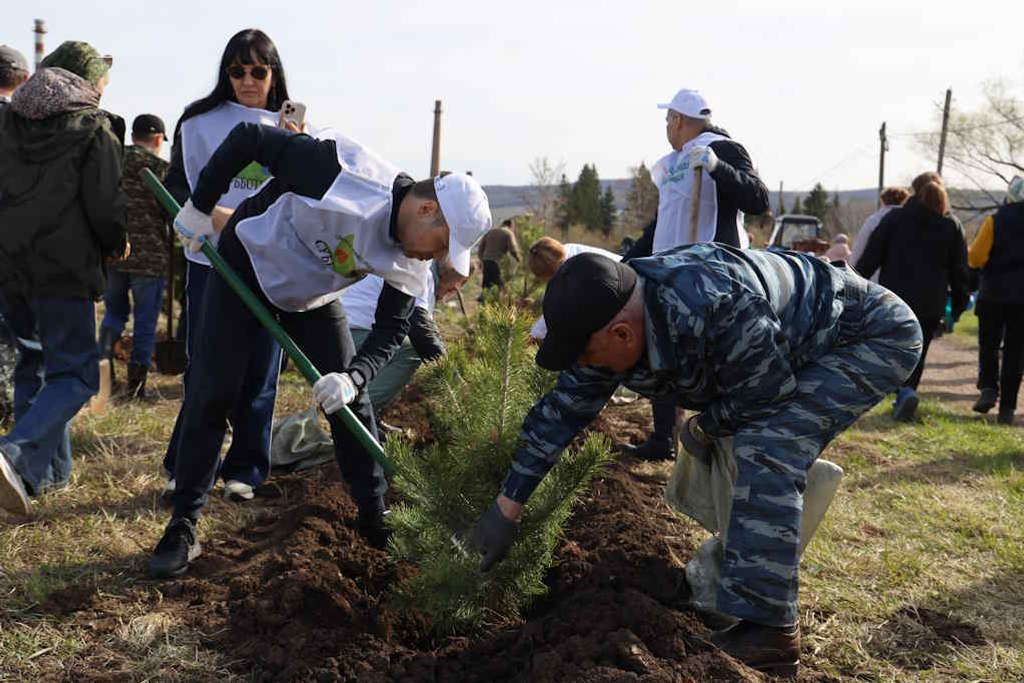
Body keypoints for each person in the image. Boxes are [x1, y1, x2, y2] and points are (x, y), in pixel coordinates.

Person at [466, 247, 921, 676]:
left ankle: (771, 634)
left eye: (587, 354)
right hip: (790, 346)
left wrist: (704, 426)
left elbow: (766, 395)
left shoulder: (713, 305)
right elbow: (562, 412)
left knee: (770, 442)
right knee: (744, 436)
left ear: (622, 334)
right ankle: (724, 585)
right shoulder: (609, 314)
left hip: (868, 334)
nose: (586, 366)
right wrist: (507, 508)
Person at [147, 121, 491, 578]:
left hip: (312, 297)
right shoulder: (338, 172)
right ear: (427, 209)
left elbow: (391, 329)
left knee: (355, 407)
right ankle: (182, 525)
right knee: (214, 390)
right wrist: (200, 204)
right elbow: (250, 138)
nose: (438, 256)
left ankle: (374, 516)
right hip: (248, 263)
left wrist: (352, 378)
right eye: (444, 243)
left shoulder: (411, 261)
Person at [160, 29, 296, 503]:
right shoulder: (198, 123)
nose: (248, 80)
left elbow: (305, 199)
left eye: (258, 70)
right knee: (205, 367)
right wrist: (209, 216)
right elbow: (177, 188)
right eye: (237, 71)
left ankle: (246, 468)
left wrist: (298, 149)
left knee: (261, 367)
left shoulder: (291, 128)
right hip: (211, 260)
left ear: (274, 73)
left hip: (267, 264)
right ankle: (184, 465)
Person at [0, 41, 127, 516]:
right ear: (85, 82)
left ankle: (44, 476)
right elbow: (107, 208)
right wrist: (118, 243)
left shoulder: (7, 120)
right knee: (75, 375)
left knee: (38, 366)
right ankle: (14, 451)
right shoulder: (94, 129)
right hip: (64, 270)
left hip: (12, 267)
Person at [621, 88, 769, 462]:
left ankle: (717, 441)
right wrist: (625, 263)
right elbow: (662, 224)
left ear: (679, 120)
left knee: (710, 357)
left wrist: (719, 168)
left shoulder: (723, 149)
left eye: (668, 120)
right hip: (669, 271)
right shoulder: (673, 164)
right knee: (663, 352)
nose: (666, 127)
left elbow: (758, 200)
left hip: (713, 272)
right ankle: (663, 439)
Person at [854, 173, 970, 421]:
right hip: (931, 304)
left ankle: (899, 391)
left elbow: (870, 258)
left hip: (894, 300)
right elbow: (961, 272)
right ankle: (907, 392)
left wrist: (851, 286)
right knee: (918, 350)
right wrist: (958, 308)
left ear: (915, 193)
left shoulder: (894, 219)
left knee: (892, 347)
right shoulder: (952, 226)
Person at [98, 115, 171, 399]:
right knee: (145, 321)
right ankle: (136, 388)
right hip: (150, 257)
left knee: (113, 315)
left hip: (114, 253)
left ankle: (104, 381)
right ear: (157, 139)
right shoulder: (159, 168)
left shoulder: (112, 159)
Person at [341, 260, 471, 415]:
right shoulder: (424, 274)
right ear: (447, 272)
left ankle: (367, 412)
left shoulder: (423, 269)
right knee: (411, 351)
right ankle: (356, 413)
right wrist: (457, 383)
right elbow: (422, 334)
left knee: (401, 345)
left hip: (346, 328)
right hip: (347, 335)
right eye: (458, 282)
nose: (456, 289)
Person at [968, 175, 1024, 425]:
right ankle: (1008, 409)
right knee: (1015, 353)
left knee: (988, 344)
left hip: (993, 294)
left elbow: (976, 258)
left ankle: (989, 387)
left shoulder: (995, 220)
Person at [526, 236, 621, 341]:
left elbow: (547, 323)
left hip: (629, 298)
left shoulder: (570, 276)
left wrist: (529, 336)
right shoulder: (566, 251)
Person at [849, 187, 910, 282]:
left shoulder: (874, 220)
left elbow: (859, 247)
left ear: (883, 200)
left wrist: (852, 271)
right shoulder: (910, 221)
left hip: (875, 277)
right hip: (904, 276)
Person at [477, 218, 521, 297]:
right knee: (498, 287)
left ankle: (484, 304)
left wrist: (482, 261)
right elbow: (513, 250)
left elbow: (480, 249)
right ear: (511, 226)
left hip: (486, 262)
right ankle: (496, 304)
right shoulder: (508, 233)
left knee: (486, 286)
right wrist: (520, 261)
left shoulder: (490, 231)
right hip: (497, 264)